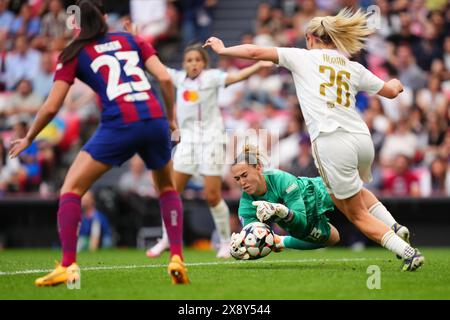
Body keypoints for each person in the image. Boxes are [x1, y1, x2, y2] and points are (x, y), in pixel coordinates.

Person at [203, 8, 424, 271]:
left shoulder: (302, 57)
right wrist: (397, 83)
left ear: (310, 37)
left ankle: (408, 252)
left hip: (332, 141)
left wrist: (223, 49)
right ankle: (395, 226)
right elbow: (390, 91)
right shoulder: (353, 66)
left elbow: (254, 52)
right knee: (350, 193)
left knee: (354, 213)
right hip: (362, 140)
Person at [9, 0, 189, 285]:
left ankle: (68, 266)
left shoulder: (73, 52)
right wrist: (171, 120)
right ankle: (177, 257)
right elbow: (165, 78)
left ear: (75, 24)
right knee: (166, 187)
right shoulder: (131, 39)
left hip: (120, 123)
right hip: (153, 117)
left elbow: (53, 106)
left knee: (71, 188)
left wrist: (30, 136)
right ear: (105, 18)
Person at [146, 44, 273, 259]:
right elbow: (153, 66)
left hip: (212, 141)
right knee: (171, 192)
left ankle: (225, 242)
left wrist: (258, 64)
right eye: (189, 60)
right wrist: (136, 40)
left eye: (197, 60)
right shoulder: (178, 78)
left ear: (204, 63)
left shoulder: (212, 77)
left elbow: (236, 77)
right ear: (184, 63)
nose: (193, 63)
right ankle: (167, 238)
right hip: (188, 143)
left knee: (212, 195)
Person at [230, 145, 341, 259]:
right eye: (237, 179)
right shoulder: (246, 205)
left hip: (319, 193)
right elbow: (255, 239)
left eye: (244, 175)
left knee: (356, 210)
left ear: (258, 167)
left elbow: (301, 219)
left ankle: (281, 241)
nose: (242, 182)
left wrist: (282, 211)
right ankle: (280, 241)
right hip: (297, 221)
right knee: (333, 238)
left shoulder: (281, 180)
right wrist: (242, 245)